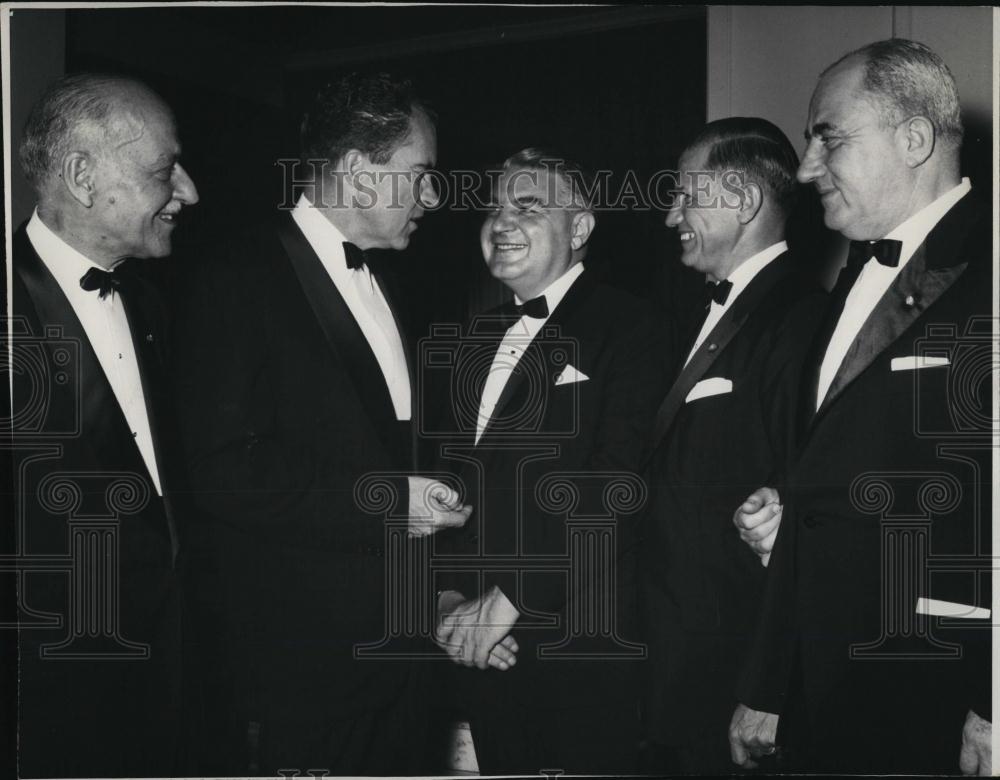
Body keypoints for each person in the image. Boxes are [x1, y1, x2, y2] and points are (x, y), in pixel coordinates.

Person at [170, 72, 470, 775]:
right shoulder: (236, 274)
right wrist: (388, 499)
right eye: (421, 175)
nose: (433, 196)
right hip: (306, 671)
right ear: (362, 174)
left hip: (405, 659)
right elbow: (222, 471)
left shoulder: (395, 283)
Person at [729, 39, 992, 775]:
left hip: (941, 694)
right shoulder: (848, 284)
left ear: (914, 140)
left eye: (828, 138)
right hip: (827, 693)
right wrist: (770, 683)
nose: (807, 168)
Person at [432, 148, 669, 774]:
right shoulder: (470, 338)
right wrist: (448, 603)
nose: (501, 223)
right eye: (495, 208)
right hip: (476, 644)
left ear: (581, 228)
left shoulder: (636, 326)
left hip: (577, 644)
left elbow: (615, 486)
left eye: (529, 207)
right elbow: (449, 488)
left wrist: (509, 601)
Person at [10, 72, 199, 777]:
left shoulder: (153, 308)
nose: (188, 191)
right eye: (162, 169)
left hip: (171, 688)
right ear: (83, 176)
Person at [640, 118, 826, 773]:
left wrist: (769, 685)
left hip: (736, 678)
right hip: (678, 672)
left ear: (743, 202)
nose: (672, 217)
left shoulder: (804, 321)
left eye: (687, 195)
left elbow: (804, 526)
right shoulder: (691, 317)